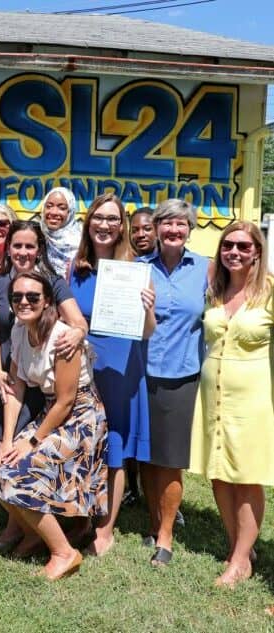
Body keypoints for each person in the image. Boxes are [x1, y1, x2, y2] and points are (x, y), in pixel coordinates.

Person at [0, 271, 108, 581]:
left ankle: (64, 553)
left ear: (48, 301)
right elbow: (16, 389)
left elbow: (66, 400)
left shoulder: (62, 337)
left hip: (80, 417)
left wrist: (32, 442)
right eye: (17, 297)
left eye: (33, 297)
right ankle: (34, 533)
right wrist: (8, 440)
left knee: (22, 473)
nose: (24, 302)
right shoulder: (18, 332)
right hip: (55, 413)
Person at [0, 220, 88, 553]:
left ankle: (59, 547)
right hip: (26, 383)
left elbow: (67, 398)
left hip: (68, 408)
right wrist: (10, 441)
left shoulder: (53, 289)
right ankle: (27, 531)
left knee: (19, 467)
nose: (23, 252)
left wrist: (78, 333)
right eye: (17, 245)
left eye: (30, 246)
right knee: (3, 462)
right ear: (7, 247)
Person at [69, 193, 156, 556]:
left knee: (115, 447)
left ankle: (106, 529)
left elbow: (149, 331)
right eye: (98, 218)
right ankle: (83, 517)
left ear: (122, 226)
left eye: (112, 219)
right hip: (84, 367)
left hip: (121, 368)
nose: (104, 225)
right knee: (86, 442)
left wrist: (148, 310)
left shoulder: (136, 269)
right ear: (89, 223)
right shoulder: (76, 269)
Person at [189, 221, 273, 587]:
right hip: (213, 393)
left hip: (254, 397)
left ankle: (240, 561)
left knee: (247, 476)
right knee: (218, 472)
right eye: (228, 246)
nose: (234, 252)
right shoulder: (215, 291)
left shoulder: (270, 292)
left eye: (242, 246)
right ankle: (240, 545)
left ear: (257, 250)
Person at [140, 198, 211, 567]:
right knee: (147, 457)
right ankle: (154, 521)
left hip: (180, 375)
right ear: (155, 228)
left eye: (180, 225)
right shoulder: (136, 269)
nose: (173, 230)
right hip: (139, 373)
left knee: (169, 459)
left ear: (189, 229)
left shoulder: (206, 270)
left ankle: (165, 535)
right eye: (166, 223)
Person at [38, 187, 81, 275]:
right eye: (49, 206)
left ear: (70, 212)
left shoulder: (81, 243)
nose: (53, 212)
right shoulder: (37, 236)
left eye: (62, 208)